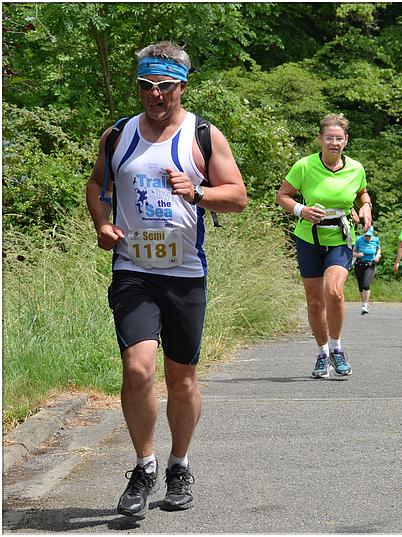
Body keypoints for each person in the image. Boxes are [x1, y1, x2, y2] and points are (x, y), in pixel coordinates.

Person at [85, 41, 247, 518]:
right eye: (146, 86)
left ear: (181, 85)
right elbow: (97, 185)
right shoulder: (117, 135)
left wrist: (196, 193)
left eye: (165, 87)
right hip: (134, 269)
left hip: (185, 273)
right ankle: (144, 465)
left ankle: (179, 464)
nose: (155, 96)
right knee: (138, 369)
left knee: (182, 379)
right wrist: (101, 222)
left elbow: (237, 197)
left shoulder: (204, 135)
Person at [276, 113, 372, 377]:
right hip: (308, 238)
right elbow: (282, 195)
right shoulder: (304, 166)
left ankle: (338, 348)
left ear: (346, 141)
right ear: (320, 140)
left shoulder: (356, 168)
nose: (334, 143)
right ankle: (323, 353)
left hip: (340, 237)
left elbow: (362, 192)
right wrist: (300, 210)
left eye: (338, 138)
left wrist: (366, 206)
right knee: (315, 302)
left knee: (334, 291)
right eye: (329, 138)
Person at [353, 226, 381, 314]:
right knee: (361, 286)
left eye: (369, 236)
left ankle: (365, 305)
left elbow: (379, 249)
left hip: (370, 265)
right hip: (359, 264)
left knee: (366, 284)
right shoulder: (359, 240)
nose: (368, 238)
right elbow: (352, 252)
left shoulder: (376, 240)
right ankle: (364, 303)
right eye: (366, 236)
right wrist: (357, 254)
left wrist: (377, 256)